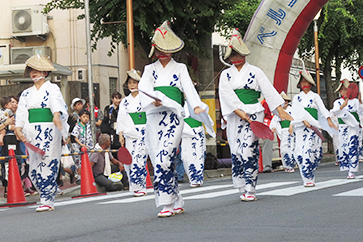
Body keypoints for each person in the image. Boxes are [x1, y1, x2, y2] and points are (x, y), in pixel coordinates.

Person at [138, 21, 210, 217]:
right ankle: (176, 197)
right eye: (160, 48)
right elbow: (144, 89)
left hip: (173, 117)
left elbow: (188, 89)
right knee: (160, 159)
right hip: (154, 117)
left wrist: (195, 105)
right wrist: (152, 101)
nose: (163, 53)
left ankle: (167, 203)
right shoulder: (148, 70)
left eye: (166, 49)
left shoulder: (180, 68)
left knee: (164, 158)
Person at [218, 30, 292, 200]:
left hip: (254, 113)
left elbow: (268, 90)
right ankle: (241, 185)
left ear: (244, 54)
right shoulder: (225, 75)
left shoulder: (256, 71)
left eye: (238, 53)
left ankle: (250, 188)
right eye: (232, 54)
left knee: (249, 150)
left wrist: (280, 110)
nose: (235, 57)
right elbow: (226, 95)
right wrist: (239, 111)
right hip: (235, 115)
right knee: (236, 151)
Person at [13, 54, 69, 212]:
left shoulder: (52, 88)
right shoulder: (26, 93)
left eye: (37, 70)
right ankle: (43, 194)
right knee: (35, 167)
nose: (34, 73)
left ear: (45, 72)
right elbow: (22, 112)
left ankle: (47, 199)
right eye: (31, 70)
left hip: (49, 130)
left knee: (49, 162)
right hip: (32, 131)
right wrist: (18, 128)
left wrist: (56, 115)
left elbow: (55, 102)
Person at [290, 70, 336, 187]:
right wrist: (297, 122)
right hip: (300, 127)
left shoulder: (315, 96)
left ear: (310, 83)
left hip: (313, 128)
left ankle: (310, 177)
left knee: (310, 152)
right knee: (300, 153)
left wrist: (329, 119)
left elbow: (322, 109)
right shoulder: (296, 98)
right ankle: (306, 179)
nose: (304, 84)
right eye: (302, 82)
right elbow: (294, 112)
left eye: (306, 81)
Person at [117, 69, 149, 196]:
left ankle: (141, 187)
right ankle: (135, 186)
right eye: (130, 82)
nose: (132, 85)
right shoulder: (125, 101)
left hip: (142, 132)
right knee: (129, 161)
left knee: (139, 159)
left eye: (134, 82)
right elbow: (121, 118)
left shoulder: (145, 98)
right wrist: (120, 133)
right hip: (129, 134)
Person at [330, 80, 362, 179]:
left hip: (352, 128)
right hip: (343, 127)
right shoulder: (337, 102)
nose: (343, 91)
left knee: (352, 146)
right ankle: (346, 167)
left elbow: (361, 112)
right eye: (341, 90)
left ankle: (352, 170)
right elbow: (334, 112)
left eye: (345, 89)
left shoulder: (355, 101)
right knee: (343, 147)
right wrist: (342, 106)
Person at [270, 92, 295, 173]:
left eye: (285, 101)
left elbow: (296, 119)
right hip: (283, 131)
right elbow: (274, 121)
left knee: (292, 147)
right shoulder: (278, 112)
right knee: (284, 149)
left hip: (292, 131)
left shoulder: (292, 110)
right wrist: (273, 127)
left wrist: (292, 125)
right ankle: (287, 165)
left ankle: (291, 164)